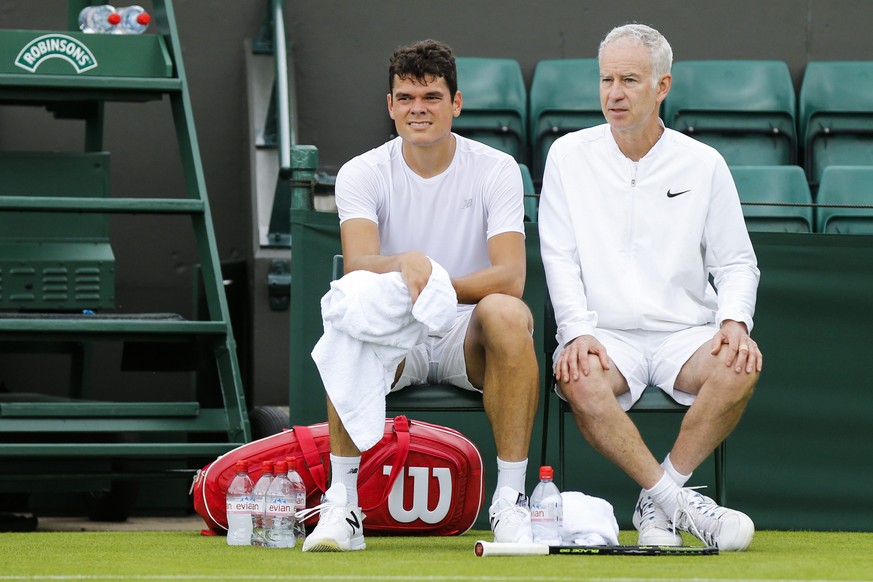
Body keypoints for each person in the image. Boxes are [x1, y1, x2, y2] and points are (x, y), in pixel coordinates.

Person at [303, 39, 539, 552]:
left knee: (507, 311)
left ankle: (511, 504)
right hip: (396, 327)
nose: (418, 109)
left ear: (456, 103)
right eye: (406, 98)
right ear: (390, 106)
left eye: (431, 97)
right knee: (352, 312)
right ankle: (341, 506)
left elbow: (510, 276)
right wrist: (405, 266)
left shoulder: (496, 169)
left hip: (466, 331)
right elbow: (362, 264)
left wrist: (431, 281)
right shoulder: (362, 172)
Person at [538, 23, 762, 551]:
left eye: (630, 80)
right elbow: (559, 258)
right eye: (606, 80)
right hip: (604, 333)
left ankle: (656, 499)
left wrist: (734, 321)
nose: (613, 94)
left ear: (662, 86)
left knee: (741, 361)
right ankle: (676, 502)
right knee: (580, 378)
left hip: (686, 333)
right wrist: (574, 331)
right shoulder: (568, 156)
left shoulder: (703, 163)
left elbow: (736, 263)